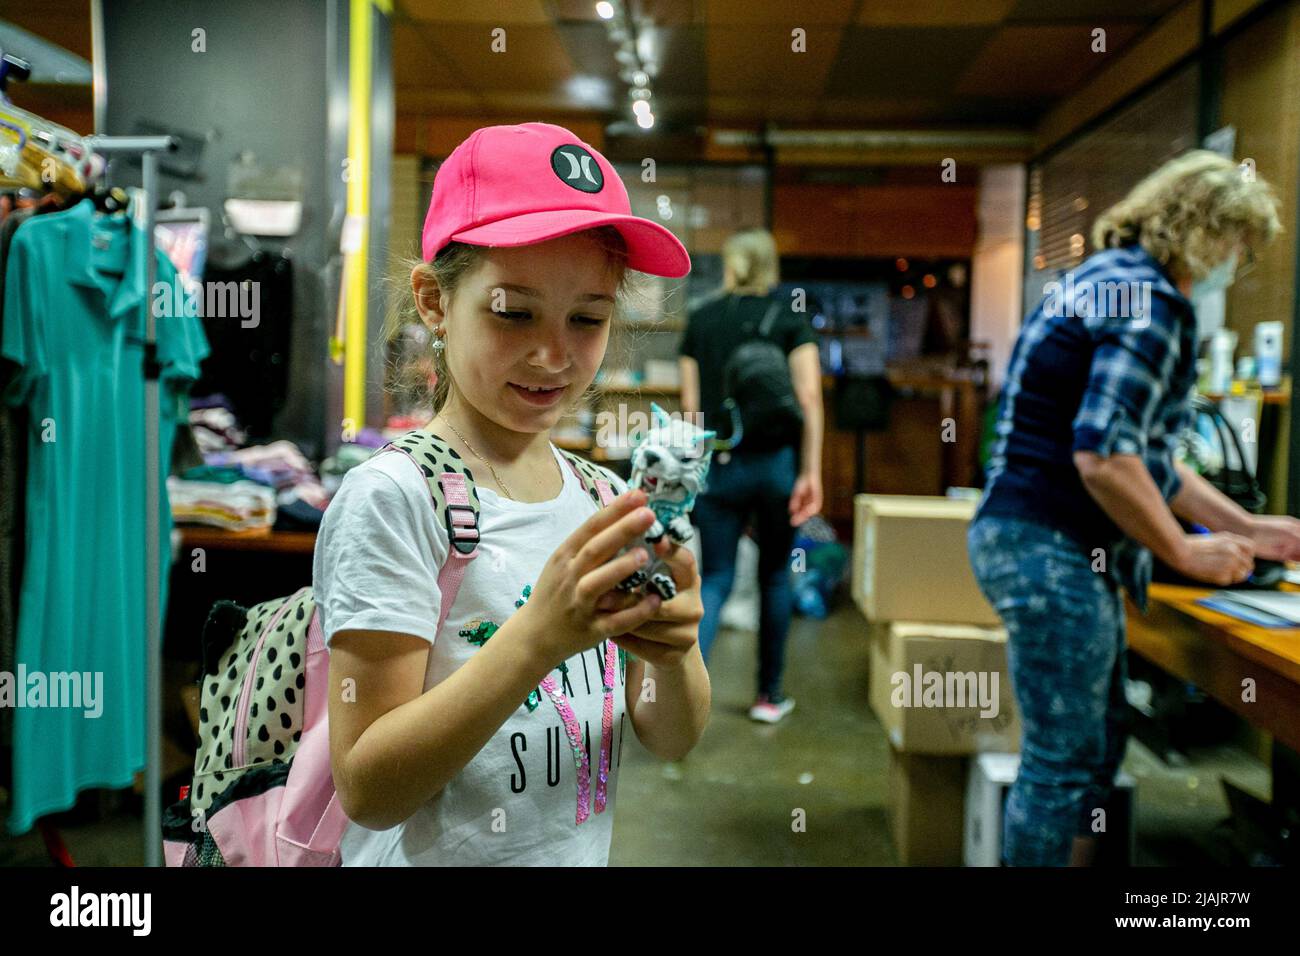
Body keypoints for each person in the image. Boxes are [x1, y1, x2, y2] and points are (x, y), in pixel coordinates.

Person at [312, 122, 711, 866]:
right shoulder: (397, 499)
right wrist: (536, 639)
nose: (554, 354)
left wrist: (672, 653)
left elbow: (670, 735)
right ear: (434, 302)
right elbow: (367, 788)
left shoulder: (605, 496)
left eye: (587, 318)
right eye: (513, 311)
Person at [968, 150, 1300, 866]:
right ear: (1208, 232)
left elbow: (1148, 459)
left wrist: (1245, 528)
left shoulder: (1101, 280)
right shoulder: (1151, 301)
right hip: (1047, 546)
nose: (1234, 269)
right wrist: (1183, 551)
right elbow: (1104, 456)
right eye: (1238, 249)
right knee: (1062, 763)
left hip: (1027, 538)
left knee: (1097, 742)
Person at [678, 228, 824, 723]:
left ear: (732, 264)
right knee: (776, 578)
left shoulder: (701, 319)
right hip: (778, 465)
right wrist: (811, 472)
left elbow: (693, 407)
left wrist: (696, 471)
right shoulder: (788, 320)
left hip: (720, 463)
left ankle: (685, 700)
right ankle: (769, 696)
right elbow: (808, 399)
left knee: (714, 577)